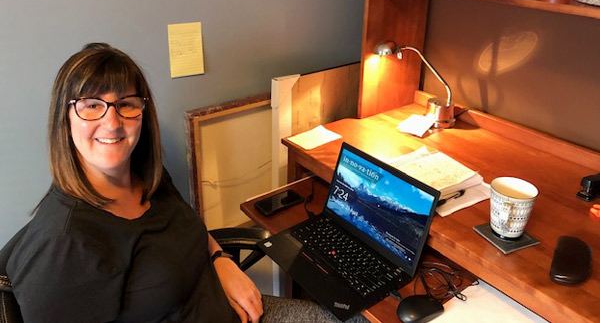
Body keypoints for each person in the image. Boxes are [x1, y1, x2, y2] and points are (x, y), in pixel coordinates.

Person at [6, 43, 367, 323]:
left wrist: (221, 260)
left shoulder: (147, 176)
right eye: (91, 105)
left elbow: (189, 227)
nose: (113, 123)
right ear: (64, 118)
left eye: (126, 104)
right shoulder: (65, 245)